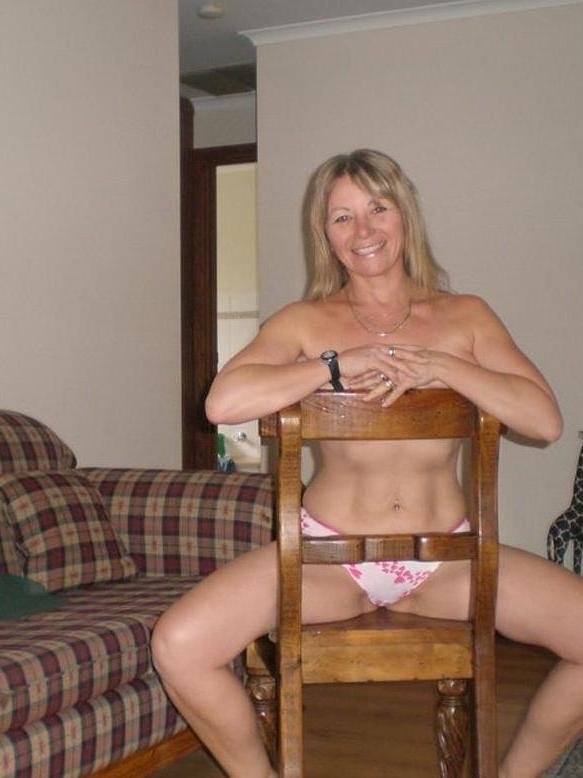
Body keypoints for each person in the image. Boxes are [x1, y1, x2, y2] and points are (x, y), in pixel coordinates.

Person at [152, 149, 582, 778]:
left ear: (404, 214)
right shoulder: (305, 321)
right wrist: (333, 366)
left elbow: (544, 421)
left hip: (448, 562)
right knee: (178, 644)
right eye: (342, 217)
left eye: (377, 208)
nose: (363, 230)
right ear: (324, 235)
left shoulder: (466, 316)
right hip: (326, 560)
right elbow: (223, 403)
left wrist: (443, 367)